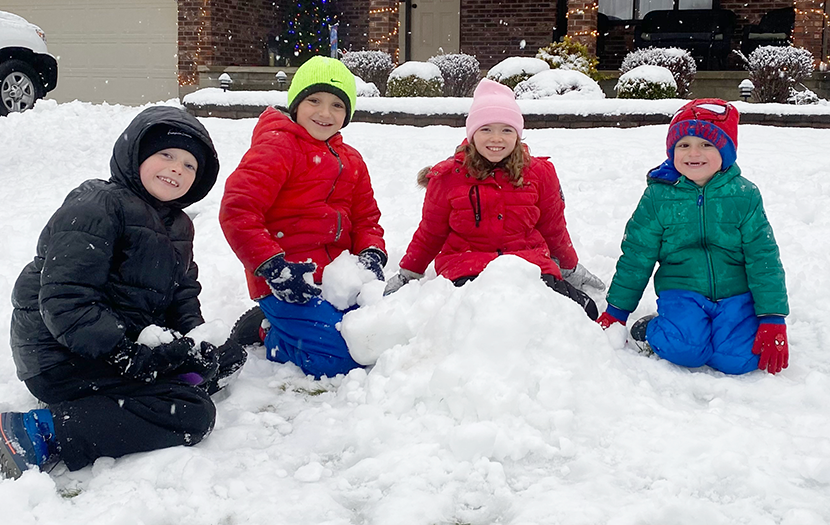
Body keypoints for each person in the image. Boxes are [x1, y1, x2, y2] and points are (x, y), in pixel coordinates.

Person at [0, 106, 237, 480]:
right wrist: (125, 355)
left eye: (189, 166)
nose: (176, 169)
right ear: (135, 155)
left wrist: (195, 338)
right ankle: (36, 432)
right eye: (165, 155)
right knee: (191, 413)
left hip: (117, 346)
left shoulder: (178, 225)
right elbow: (65, 300)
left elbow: (181, 292)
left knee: (223, 357)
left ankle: (163, 383)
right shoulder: (97, 206)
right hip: (60, 357)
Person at [219, 56, 386, 379]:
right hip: (288, 282)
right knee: (340, 361)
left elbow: (367, 217)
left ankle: (298, 324)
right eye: (314, 100)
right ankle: (271, 334)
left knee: (372, 339)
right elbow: (238, 209)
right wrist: (273, 268)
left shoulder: (351, 160)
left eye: (337, 105)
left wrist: (371, 252)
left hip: (338, 279)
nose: (325, 113)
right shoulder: (277, 148)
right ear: (296, 103)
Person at [596, 98, 789, 375]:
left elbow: (763, 257)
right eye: (683, 144)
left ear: (726, 150)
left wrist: (772, 317)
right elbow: (638, 255)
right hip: (682, 290)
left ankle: (725, 331)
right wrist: (617, 311)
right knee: (683, 348)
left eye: (707, 144)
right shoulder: (658, 196)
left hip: (736, 293)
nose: (693, 153)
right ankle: (655, 327)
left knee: (740, 359)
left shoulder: (744, 195)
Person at [383, 78, 603, 319]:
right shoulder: (448, 177)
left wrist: (570, 267)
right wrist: (409, 273)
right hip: (467, 269)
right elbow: (430, 233)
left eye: (506, 130)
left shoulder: (540, 173)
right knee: (486, 318)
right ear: (472, 133)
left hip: (530, 267)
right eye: (486, 129)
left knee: (583, 313)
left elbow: (553, 227)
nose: (496, 138)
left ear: (517, 135)